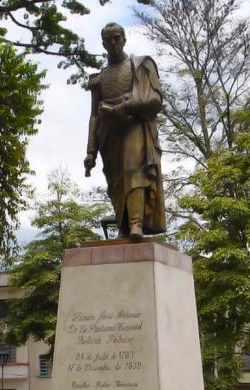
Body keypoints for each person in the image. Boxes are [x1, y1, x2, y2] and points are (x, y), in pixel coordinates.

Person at [84, 22, 166, 239]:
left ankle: (136, 224)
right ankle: (123, 225)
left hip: (134, 126)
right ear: (103, 43)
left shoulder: (140, 65)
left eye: (117, 38)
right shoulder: (98, 78)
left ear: (124, 39)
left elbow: (156, 99)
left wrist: (128, 105)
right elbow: (94, 115)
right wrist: (90, 150)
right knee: (116, 180)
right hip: (108, 134)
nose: (113, 43)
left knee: (133, 171)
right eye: (108, 39)